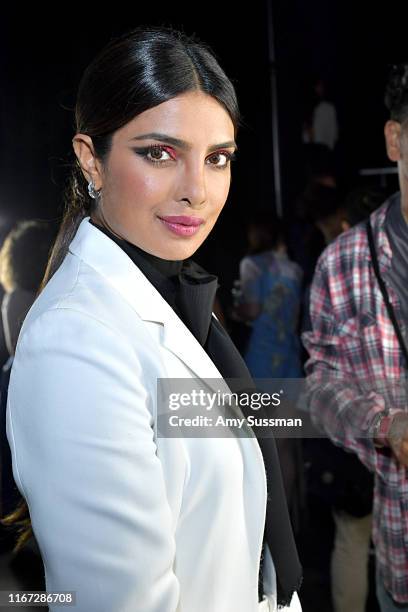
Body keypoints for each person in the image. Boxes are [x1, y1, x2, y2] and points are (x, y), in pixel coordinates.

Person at [5, 27, 302, 612]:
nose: (197, 190)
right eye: (159, 153)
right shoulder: (74, 341)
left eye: (218, 159)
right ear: (91, 159)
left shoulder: (173, 298)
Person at [302, 62, 408, 611]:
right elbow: (319, 384)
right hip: (402, 556)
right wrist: (381, 423)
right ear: (396, 139)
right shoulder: (344, 265)